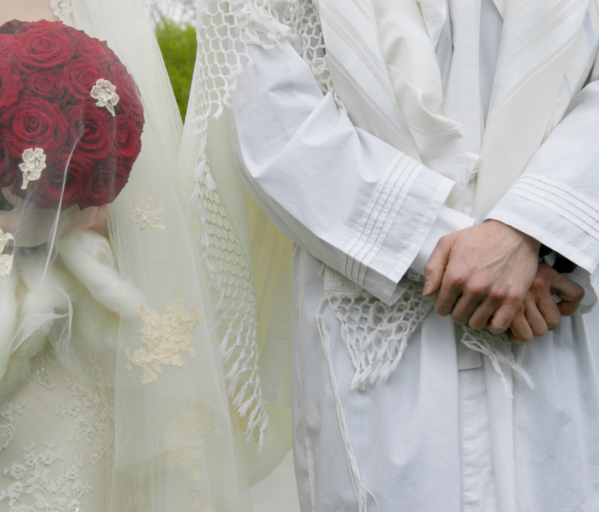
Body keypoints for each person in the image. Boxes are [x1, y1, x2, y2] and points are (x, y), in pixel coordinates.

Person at [0, 1, 267, 511]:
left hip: (64, 355)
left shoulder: (95, 11)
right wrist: (12, 225)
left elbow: (144, 204)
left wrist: (74, 201)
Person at [183, 0, 599, 510]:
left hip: (552, 314)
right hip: (379, 325)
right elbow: (273, 122)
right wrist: (453, 249)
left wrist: (525, 228)